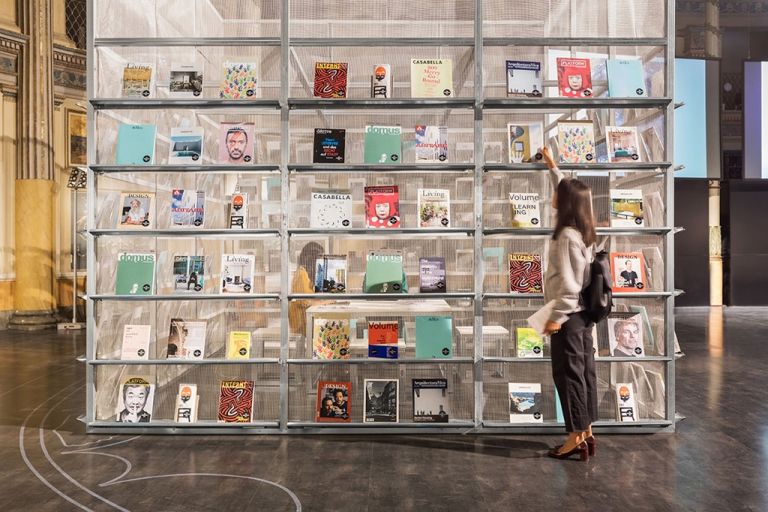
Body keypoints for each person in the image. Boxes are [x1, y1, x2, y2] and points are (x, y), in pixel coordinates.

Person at [540, 146, 597, 461]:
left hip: (569, 318)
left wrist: (556, 318)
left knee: (567, 375)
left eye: (557, 196)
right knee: (584, 372)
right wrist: (553, 167)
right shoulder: (585, 231)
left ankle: (574, 438)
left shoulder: (565, 237)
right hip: (582, 318)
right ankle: (587, 431)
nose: (552, 199)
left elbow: (571, 285)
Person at [289, 242, 324, 335]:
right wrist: (329, 301)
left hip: (308, 320)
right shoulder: (301, 273)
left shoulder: (308, 275)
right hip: (302, 324)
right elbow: (306, 302)